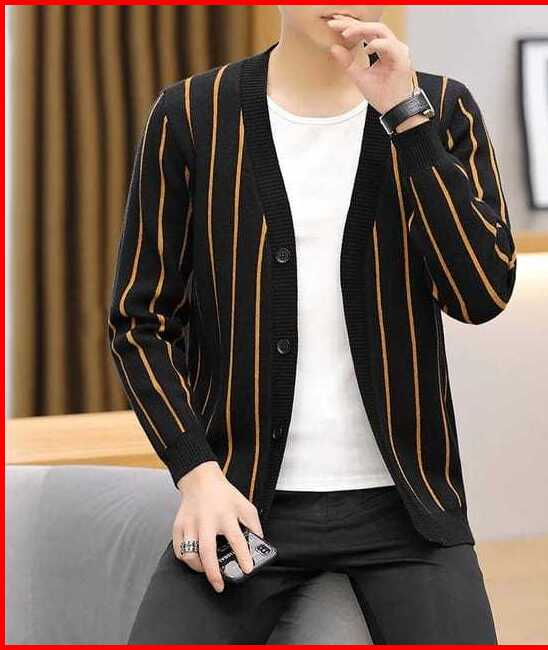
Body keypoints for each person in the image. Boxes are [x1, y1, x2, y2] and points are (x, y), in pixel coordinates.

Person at [107, 5, 517, 644]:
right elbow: (140, 321)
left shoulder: (440, 107)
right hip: (242, 502)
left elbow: (482, 294)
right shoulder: (191, 113)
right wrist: (197, 473)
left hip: (407, 511)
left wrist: (405, 119)